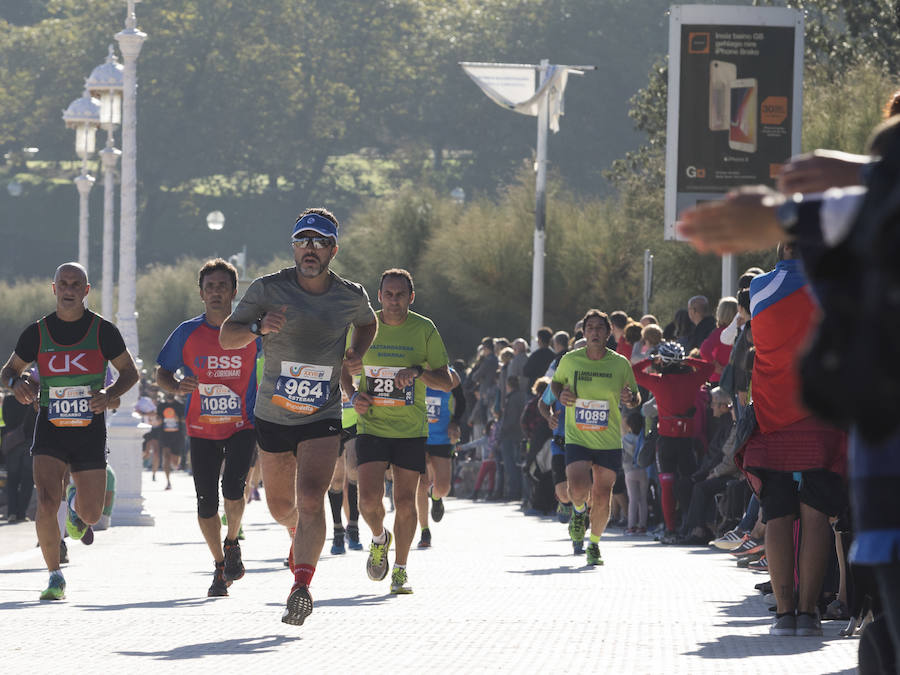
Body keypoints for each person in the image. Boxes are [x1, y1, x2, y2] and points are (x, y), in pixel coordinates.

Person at [220, 208, 377, 626]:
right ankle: (297, 538)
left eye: (319, 241)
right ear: (293, 247)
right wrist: (258, 328)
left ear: (333, 250)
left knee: (312, 497)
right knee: (279, 506)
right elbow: (228, 336)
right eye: (303, 240)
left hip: (322, 413)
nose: (310, 249)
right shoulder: (267, 289)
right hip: (273, 415)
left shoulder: (350, 294)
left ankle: (301, 586)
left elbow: (367, 322)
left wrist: (357, 353)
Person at [0, 262, 138, 600]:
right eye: (63, 283)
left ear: (86, 290)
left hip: (89, 429)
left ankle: (77, 508)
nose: (69, 289)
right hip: (50, 425)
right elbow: (7, 373)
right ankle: (54, 576)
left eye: (76, 284)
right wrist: (17, 384)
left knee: (91, 515)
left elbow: (130, 373)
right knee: (46, 499)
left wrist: (108, 396)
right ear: (54, 288)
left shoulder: (103, 331)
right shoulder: (37, 332)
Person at [343, 268, 452, 594]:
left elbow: (445, 382)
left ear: (411, 297)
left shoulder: (424, 329)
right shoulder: (364, 327)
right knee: (368, 502)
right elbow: (343, 370)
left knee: (406, 503)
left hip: (409, 429)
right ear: (379, 297)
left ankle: (401, 570)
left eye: (400, 294)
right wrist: (352, 397)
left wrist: (418, 372)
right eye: (388, 294)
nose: (394, 301)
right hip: (371, 426)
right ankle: (379, 537)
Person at [156, 259, 261, 597]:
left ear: (234, 291)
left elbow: (278, 356)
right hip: (201, 429)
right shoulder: (187, 332)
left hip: (242, 424)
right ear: (201, 293)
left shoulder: (250, 332)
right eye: (209, 287)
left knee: (234, 488)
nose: (216, 292)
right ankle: (219, 565)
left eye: (222, 286)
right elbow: (163, 371)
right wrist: (175, 387)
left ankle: (233, 542)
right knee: (205, 503)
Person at [551, 309, 640, 565]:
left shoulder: (620, 363)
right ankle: (578, 512)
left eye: (599, 328)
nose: (594, 332)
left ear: (608, 332)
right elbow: (556, 384)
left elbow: (635, 396)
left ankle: (595, 545)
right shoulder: (570, 360)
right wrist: (561, 396)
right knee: (578, 488)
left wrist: (631, 399)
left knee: (602, 494)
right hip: (578, 437)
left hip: (608, 439)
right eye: (590, 328)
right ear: (583, 332)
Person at [632, 342, 714, 538]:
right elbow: (709, 367)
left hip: (666, 441)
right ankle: (691, 525)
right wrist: (687, 359)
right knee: (688, 483)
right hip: (687, 442)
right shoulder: (692, 380)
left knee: (667, 486)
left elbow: (634, 371)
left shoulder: (658, 381)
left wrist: (651, 359)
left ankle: (670, 529)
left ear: (663, 362)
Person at [416, 366, 464, 548]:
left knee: (443, 487)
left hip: (442, 436)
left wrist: (455, 423)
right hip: (417, 434)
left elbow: (462, 401)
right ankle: (424, 530)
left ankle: (436, 497)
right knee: (422, 482)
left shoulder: (451, 374)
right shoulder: (413, 371)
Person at [2, 385, 36, 522]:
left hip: (13, 443)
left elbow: (5, 418)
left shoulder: (9, 399)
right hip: (29, 442)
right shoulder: (33, 398)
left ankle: (12, 513)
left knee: (12, 480)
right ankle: (22, 513)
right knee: (28, 480)